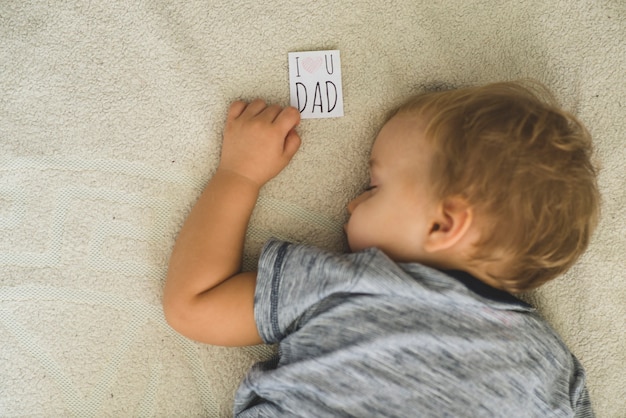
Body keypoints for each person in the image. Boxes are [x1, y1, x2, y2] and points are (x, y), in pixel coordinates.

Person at [163, 81, 599, 417]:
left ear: (443, 224)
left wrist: (238, 175)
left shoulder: (353, 284)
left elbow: (194, 303)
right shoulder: (553, 367)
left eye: (374, 187)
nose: (350, 203)